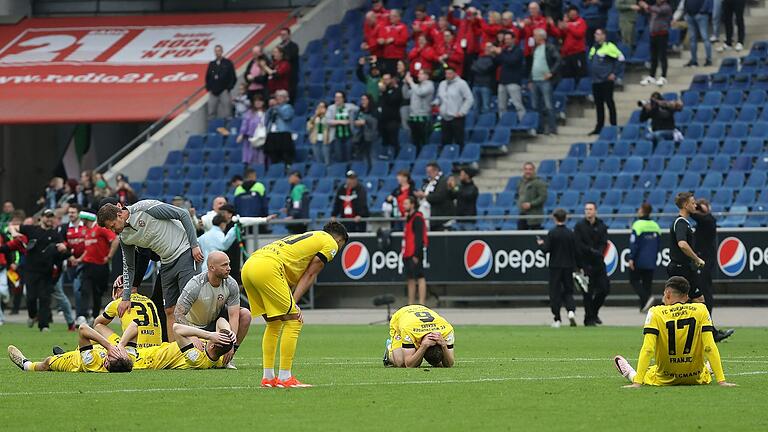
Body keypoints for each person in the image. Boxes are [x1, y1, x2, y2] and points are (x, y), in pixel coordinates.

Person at [242, 222, 348, 388]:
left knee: (275, 323)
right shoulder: (331, 243)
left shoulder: (309, 237)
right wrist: (295, 303)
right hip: (268, 267)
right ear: (340, 241)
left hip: (250, 266)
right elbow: (310, 274)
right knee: (294, 320)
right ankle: (285, 377)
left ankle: (268, 377)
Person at [97, 200, 203, 342]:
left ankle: (203, 346)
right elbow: (129, 266)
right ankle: (174, 352)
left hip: (185, 252)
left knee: (188, 306)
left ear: (119, 214)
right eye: (110, 229)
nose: (113, 231)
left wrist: (194, 245)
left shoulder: (145, 208)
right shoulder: (124, 237)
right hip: (166, 262)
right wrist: (126, 298)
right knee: (169, 310)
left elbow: (182, 214)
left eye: (113, 226)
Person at [613, 277, 736, 387]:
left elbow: (648, 349)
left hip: (665, 377)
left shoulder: (655, 312)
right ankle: (708, 369)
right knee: (703, 370)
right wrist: (722, 381)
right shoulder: (701, 309)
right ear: (686, 296)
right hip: (694, 377)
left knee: (648, 372)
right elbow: (709, 346)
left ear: (667, 294)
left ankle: (630, 373)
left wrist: (637, 383)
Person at [174, 251, 251, 369]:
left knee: (245, 314)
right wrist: (192, 337)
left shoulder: (231, 284)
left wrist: (231, 346)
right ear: (211, 267)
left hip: (214, 323)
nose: (229, 268)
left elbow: (234, 315)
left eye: (229, 264)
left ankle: (228, 358)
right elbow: (178, 314)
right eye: (224, 265)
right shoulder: (195, 285)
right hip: (193, 327)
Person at [9, 210, 71, 331]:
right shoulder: (31, 229)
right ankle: (32, 315)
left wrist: (63, 249)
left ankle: (44, 325)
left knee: (44, 298)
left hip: (46, 272)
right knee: (31, 298)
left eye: (51, 217)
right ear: (41, 218)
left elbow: (63, 250)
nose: (49, 219)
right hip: (31, 270)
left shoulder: (55, 234)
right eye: (47, 217)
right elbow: (12, 226)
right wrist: (14, 233)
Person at [8, 323, 133, 373]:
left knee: (47, 362)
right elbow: (134, 325)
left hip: (72, 361)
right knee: (93, 342)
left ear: (106, 362)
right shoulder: (124, 360)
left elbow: (83, 328)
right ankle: (70, 351)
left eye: (111, 354)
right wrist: (121, 345)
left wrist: (109, 346)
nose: (115, 351)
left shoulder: (92, 362)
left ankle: (26, 365)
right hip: (83, 351)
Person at [691, 199, 734, 342]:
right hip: (701, 261)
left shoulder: (709, 220)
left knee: (704, 294)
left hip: (704, 262)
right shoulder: (704, 222)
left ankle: (709, 329)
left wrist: (696, 208)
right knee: (699, 294)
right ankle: (708, 329)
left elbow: (700, 216)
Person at [118, 320, 234, 370]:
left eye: (215, 338)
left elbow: (176, 328)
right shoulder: (220, 359)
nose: (214, 335)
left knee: (134, 326)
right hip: (155, 349)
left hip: (146, 360)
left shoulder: (197, 359)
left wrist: (209, 335)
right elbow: (220, 320)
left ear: (212, 346)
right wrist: (229, 332)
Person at [94, 276, 163, 349]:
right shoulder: (149, 301)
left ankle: (119, 346)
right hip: (156, 349)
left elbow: (97, 323)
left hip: (135, 350)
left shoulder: (118, 303)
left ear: (118, 290)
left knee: (98, 326)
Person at [537, 208, 578, 328]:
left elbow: (546, 249)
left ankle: (557, 318)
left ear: (555, 218)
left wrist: (541, 244)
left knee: (555, 292)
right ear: (566, 218)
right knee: (568, 291)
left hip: (555, 266)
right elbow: (575, 251)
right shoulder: (570, 233)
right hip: (568, 266)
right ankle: (571, 311)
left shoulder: (552, 233)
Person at [574, 202, 610, 326]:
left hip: (599, 262)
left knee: (604, 289)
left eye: (590, 209)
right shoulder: (579, 226)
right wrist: (589, 252)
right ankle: (588, 319)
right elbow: (578, 245)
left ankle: (593, 313)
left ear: (595, 211)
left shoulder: (602, 225)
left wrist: (598, 252)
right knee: (587, 292)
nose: (588, 211)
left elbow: (604, 243)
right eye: (586, 209)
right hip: (585, 263)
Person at [383, 304, 454, 368]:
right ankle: (389, 349)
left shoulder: (447, 331)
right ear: (420, 344)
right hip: (401, 315)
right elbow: (409, 365)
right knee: (401, 363)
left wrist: (444, 345)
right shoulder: (409, 330)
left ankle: (415, 350)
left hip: (421, 312)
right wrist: (424, 346)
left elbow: (449, 364)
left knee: (441, 364)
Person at [79, 211, 119, 321]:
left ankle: (95, 315)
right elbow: (88, 249)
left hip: (100, 265)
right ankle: (83, 314)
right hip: (87, 265)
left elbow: (115, 239)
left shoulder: (100, 228)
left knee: (97, 292)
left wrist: (109, 256)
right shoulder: (86, 231)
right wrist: (80, 259)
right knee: (84, 289)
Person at [588, 29, 624, 135]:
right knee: (598, 104)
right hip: (596, 80)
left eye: (598, 34)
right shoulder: (594, 48)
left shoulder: (609, 46)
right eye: (595, 34)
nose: (596, 36)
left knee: (609, 102)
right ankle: (599, 126)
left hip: (606, 80)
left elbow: (621, 58)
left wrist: (614, 73)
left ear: (604, 36)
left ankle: (613, 125)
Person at [628, 203, 662, 312]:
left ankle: (646, 298)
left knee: (634, 280)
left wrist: (631, 258)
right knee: (647, 283)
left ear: (642, 211)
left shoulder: (637, 225)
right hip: (651, 259)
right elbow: (658, 244)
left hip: (639, 259)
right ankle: (644, 306)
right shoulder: (655, 225)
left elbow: (634, 243)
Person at [529, 28, 561, 135]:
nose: (534, 37)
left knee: (548, 105)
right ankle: (540, 128)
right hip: (535, 80)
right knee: (535, 106)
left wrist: (551, 72)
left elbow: (558, 60)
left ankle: (552, 128)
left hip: (545, 80)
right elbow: (533, 65)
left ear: (542, 37)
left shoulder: (550, 48)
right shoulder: (534, 49)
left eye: (535, 35)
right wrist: (530, 79)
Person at [635, 0, 673, 86]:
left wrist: (646, 6)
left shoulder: (666, 7)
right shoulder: (654, 6)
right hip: (653, 34)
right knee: (653, 57)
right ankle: (652, 76)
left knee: (662, 56)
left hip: (662, 34)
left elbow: (658, 11)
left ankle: (663, 76)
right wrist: (643, 8)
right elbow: (648, 12)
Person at [436, 67, 474, 149]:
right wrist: (436, 103)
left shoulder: (462, 84)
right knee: (445, 140)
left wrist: (462, 112)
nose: (447, 75)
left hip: (456, 116)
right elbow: (440, 97)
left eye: (450, 73)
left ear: (455, 74)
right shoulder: (442, 84)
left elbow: (469, 99)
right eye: (446, 73)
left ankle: (459, 157)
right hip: (444, 116)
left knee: (459, 140)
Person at [402, 196, 429, 306]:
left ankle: (422, 303)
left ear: (412, 204)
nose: (404, 206)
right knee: (410, 278)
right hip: (408, 252)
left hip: (414, 253)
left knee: (420, 277)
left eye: (406, 203)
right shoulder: (409, 218)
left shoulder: (417, 218)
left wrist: (416, 254)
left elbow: (419, 237)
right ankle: (411, 304)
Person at [495, 31, 526, 119]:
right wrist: (495, 53)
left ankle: (523, 123)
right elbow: (497, 62)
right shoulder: (503, 50)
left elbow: (511, 61)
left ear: (513, 40)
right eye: (505, 39)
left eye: (509, 39)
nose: (507, 41)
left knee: (518, 105)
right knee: (501, 106)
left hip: (513, 81)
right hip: (502, 81)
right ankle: (503, 123)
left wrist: (500, 53)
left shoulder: (518, 51)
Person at [416, 162, 455, 231]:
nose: (428, 174)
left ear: (436, 171)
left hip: (440, 217)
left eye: (430, 172)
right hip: (427, 216)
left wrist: (425, 195)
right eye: (427, 172)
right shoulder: (427, 182)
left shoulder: (443, 181)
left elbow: (439, 196)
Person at [673, 0, 713, 67]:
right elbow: (683, 3)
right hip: (690, 16)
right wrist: (685, 13)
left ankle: (709, 59)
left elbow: (708, 2)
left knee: (705, 37)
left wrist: (702, 11)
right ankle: (694, 61)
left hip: (701, 15)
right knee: (692, 39)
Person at [552, 6, 588, 79]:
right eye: (571, 14)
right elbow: (559, 35)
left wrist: (569, 27)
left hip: (578, 53)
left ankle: (579, 89)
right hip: (567, 54)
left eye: (574, 14)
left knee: (580, 74)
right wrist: (554, 26)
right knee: (568, 75)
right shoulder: (567, 23)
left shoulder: (581, 22)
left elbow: (580, 34)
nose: (573, 16)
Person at [403, 70, 434, 152]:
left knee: (423, 141)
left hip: (423, 117)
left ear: (426, 76)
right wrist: (405, 84)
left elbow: (420, 92)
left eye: (421, 73)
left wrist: (411, 82)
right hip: (413, 117)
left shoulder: (429, 85)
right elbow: (406, 95)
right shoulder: (416, 86)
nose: (418, 75)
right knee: (415, 141)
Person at [325, 91, 359, 163]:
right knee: (339, 156)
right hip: (337, 136)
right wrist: (341, 122)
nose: (337, 99)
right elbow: (328, 121)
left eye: (339, 97)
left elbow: (358, 109)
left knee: (349, 156)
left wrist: (353, 119)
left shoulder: (349, 106)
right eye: (336, 97)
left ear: (343, 98)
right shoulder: (331, 108)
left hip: (349, 135)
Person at [205, 45, 237, 120]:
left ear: (222, 51)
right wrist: (209, 87)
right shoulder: (212, 64)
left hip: (224, 90)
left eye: (219, 51)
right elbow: (208, 77)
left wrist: (229, 88)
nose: (217, 53)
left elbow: (233, 77)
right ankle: (212, 127)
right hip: (213, 91)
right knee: (211, 112)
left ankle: (228, 128)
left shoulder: (228, 63)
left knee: (227, 111)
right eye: (216, 51)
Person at [264, 90, 295, 165]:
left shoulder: (288, 107)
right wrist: (270, 109)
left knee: (285, 154)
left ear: (285, 98)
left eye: (280, 97)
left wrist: (277, 108)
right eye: (277, 97)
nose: (278, 99)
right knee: (273, 154)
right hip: (272, 133)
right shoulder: (272, 108)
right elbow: (266, 120)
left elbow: (286, 116)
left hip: (283, 133)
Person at [376, 9, 409, 76]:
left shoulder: (403, 27)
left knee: (397, 76)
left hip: (398, 57)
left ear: (399, 17)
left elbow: (404, 40)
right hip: (386, 57)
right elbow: (381, 37)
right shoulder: (385, 26)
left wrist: (394, 40)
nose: (391, 18)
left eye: (394, 16)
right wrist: (381, 40)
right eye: (390, 16)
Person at [237, 94, 267, 166]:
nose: (258, 103)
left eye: (260, 101)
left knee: (262, 157)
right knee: (252, 157)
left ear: (263, 102)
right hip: (251, 138)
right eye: (256, 101)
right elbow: (245, 124)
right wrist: (241, 134)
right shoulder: (249, 113)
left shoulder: (266, 113)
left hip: (263, 138)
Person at [517, 162, 548, 230]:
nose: (528, 171)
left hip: (534, 217)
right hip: (523, 215)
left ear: (534, 170)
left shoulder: (539, 183)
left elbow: (543, 197)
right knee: (520, 236)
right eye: (526, 169)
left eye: (530, 169)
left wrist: (531, 204)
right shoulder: (521, 182)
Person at [379, 73, 403, 159]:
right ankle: (385, 156)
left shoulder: (397, 90)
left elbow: (392, 101)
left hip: (393, 120)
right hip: (383, 120)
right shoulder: (382, 91)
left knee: (394, 140)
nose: (385, 81)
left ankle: (396, 157)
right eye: (384, 79)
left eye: (387, 79)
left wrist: (384, 92)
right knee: (384, 140)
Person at [352, 93, 378, 167]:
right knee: (363, 157)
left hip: (371, 137)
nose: (362, 101)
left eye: (364, 99)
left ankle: (373, 170)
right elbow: (355, 120)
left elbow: (375, 123)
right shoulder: (359, 111)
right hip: (360, 137)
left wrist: (365, 121)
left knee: (372, 156)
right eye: (362, 99)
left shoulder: (374, 111)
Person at [277, 28, 300, 102]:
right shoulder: (279, 46)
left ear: (289, 35)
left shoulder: (294, 46)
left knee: (290, 96)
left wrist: (281, 52)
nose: (282, 36)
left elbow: (290, 57)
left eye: (284, 34)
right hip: (281, 77)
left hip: (291, 76)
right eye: (281, 35)